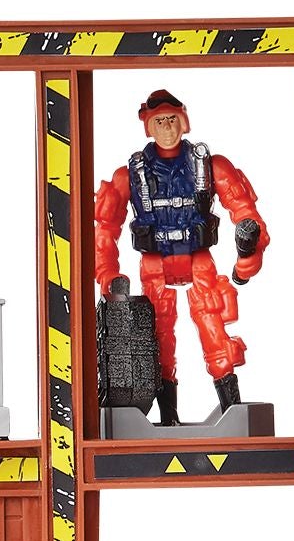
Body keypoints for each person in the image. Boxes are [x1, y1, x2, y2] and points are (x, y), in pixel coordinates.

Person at [91, 89, 269, 425]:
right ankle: (167, 417)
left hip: (199, 258)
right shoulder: (130, 175)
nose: (167, 128)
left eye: (172, 119)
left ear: (184, 121)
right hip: (154, 263)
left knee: (214, 328)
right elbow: (104, 230)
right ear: (148, 126)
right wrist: (108, 276)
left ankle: (232, 409)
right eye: (159, 121)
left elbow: (245, 212)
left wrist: (246, 253)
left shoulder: (210, 166)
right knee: (155, 338)